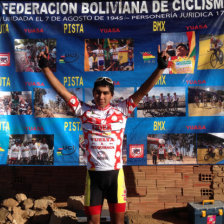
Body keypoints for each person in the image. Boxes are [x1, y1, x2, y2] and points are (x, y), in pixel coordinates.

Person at [38, 45, 168, 224]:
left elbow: (143, 91)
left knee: (118, 222)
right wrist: (45, 68)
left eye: (105, 93)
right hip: (94, 177)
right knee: (92, 222)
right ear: (93, 93)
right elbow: (62, 92)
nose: (101, 96)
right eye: (98, 92)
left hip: (116, 176)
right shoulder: (84, 111)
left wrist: (160, 69)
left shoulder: (122, 110)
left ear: (111, 95)